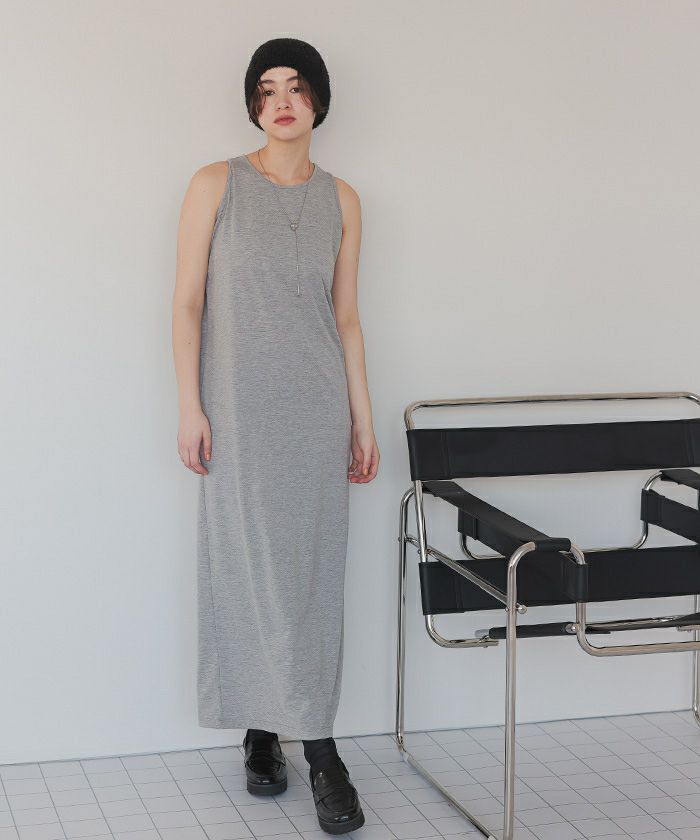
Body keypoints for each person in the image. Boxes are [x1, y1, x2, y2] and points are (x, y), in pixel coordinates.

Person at [171, 37, 379, 834]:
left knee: (311, 577)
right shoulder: (215, 183)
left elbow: (346, 318)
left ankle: (309, 745)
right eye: (267, 89)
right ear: (254, 105)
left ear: (318, 99)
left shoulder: (343, 199)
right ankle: (273, 733)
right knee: (248, 569)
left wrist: (362, 417)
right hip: (238, 413)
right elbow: (188, 302)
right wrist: (190, 406)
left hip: (318, 410)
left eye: (296, 86)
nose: (282, 101)